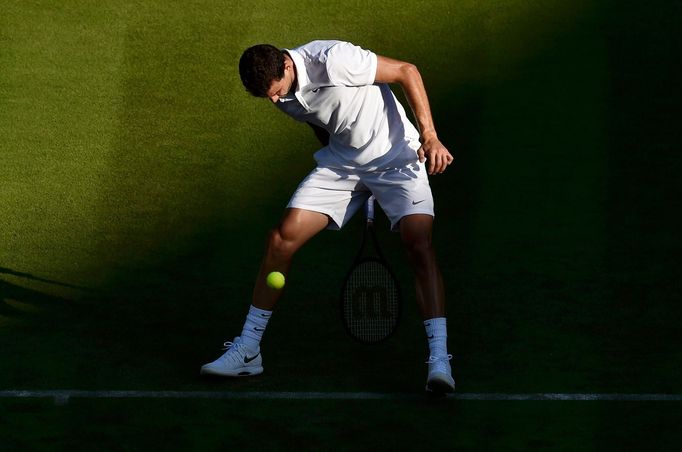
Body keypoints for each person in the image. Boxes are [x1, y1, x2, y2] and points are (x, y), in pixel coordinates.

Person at [201, 40, 455, 393]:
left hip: (395, 155)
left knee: (418, 243)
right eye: (267, 97)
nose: (275, 101)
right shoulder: (276, 89)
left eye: (275, 93)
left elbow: (405, 71)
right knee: (281, 239)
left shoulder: (334, 60)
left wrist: (429, 135)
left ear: (287, 68)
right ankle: (248, 349)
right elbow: (317, 119)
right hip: (343, 164)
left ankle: (439, 359)